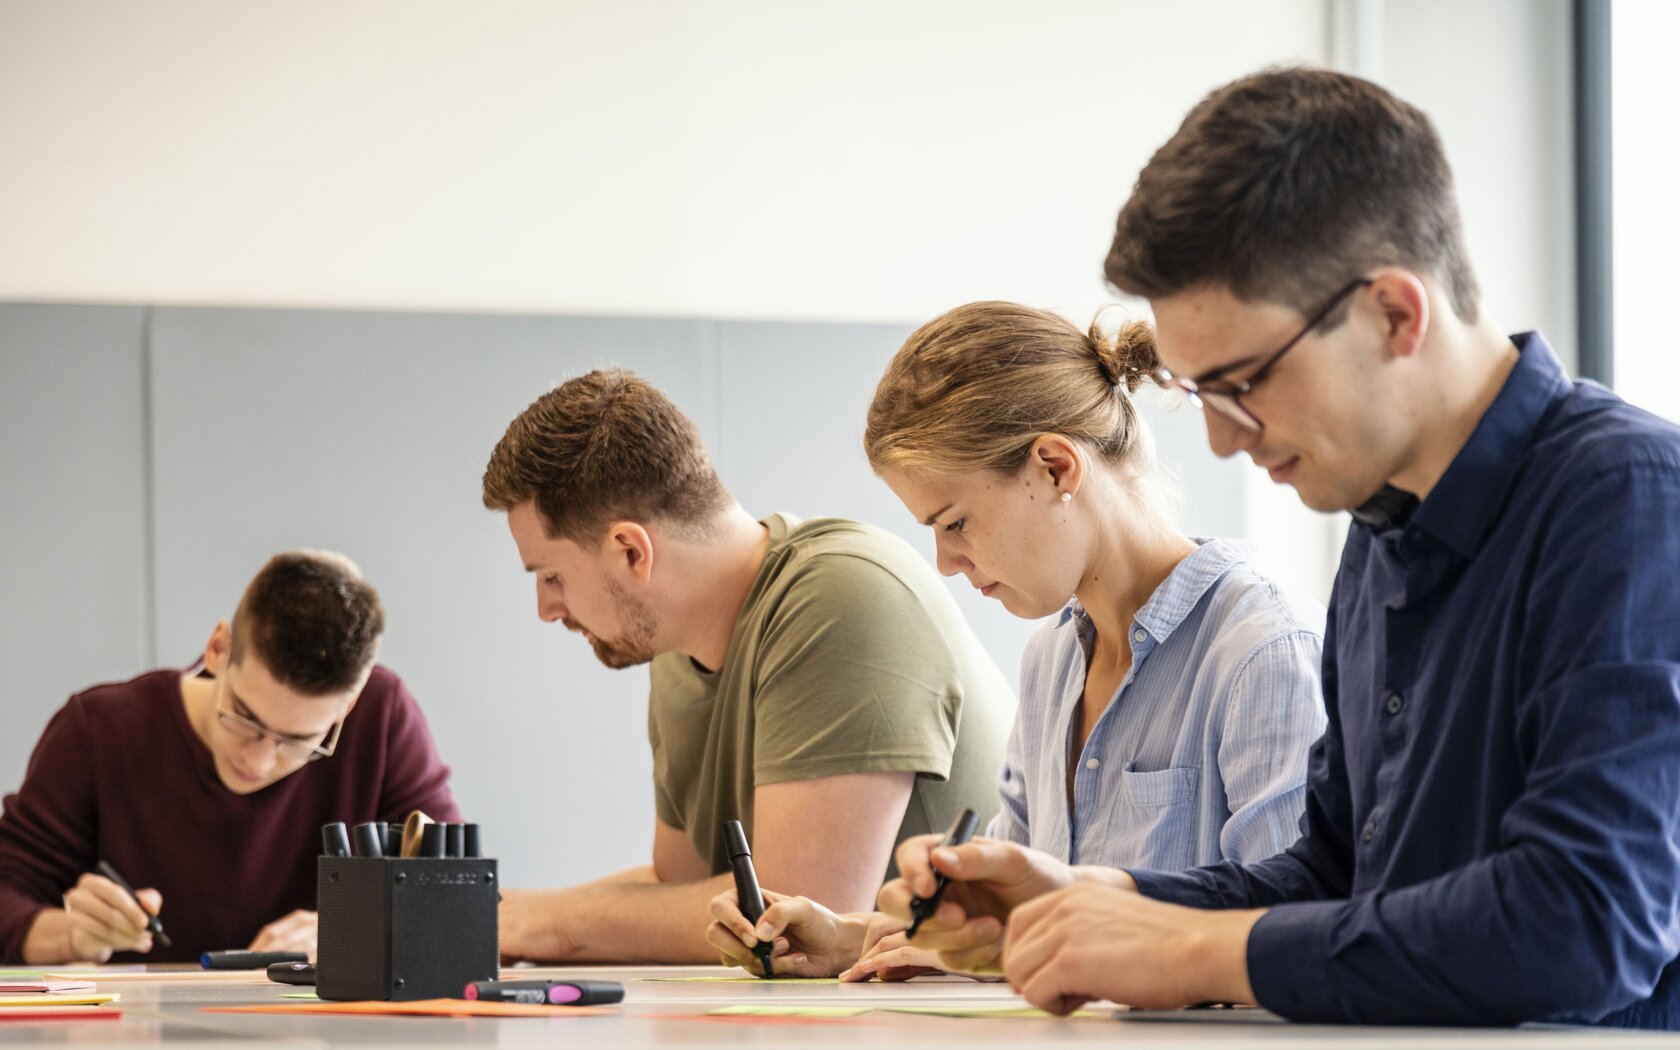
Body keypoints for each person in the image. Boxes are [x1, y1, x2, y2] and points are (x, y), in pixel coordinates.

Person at [877, 66, 1680, 1029]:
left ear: (1395, 312)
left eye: (1243, 382)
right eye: (1200, 394)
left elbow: (1587, 920)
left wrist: (1188, 948)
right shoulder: (1381, 535)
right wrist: (1098, 904)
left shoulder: (1628, 499)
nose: (1222, 438)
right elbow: (1333, 875)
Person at [704, 303, 1326, 979]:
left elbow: (1295, 931)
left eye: (957, 522)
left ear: (1056, 468)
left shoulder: (1259, 649)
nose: (945, 561)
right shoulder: (1052, 661)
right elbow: (1014, 919)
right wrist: (856, 936)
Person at [481, 368, 1013, 964]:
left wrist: (539, 925)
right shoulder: (677, 655)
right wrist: (494, 915)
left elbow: (793, 913)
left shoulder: (843, 593)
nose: (546, 609)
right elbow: (677, 892)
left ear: (631, 550)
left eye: (551, 576)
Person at [0, 550, 459, 965]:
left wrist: (363, 930)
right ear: (218, 648)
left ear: (349, 703)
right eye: (244, 717)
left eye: (299, 741)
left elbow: (459, 900)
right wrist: (71, 936)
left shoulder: (383, 718)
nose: (258, 762)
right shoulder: (99, 730)